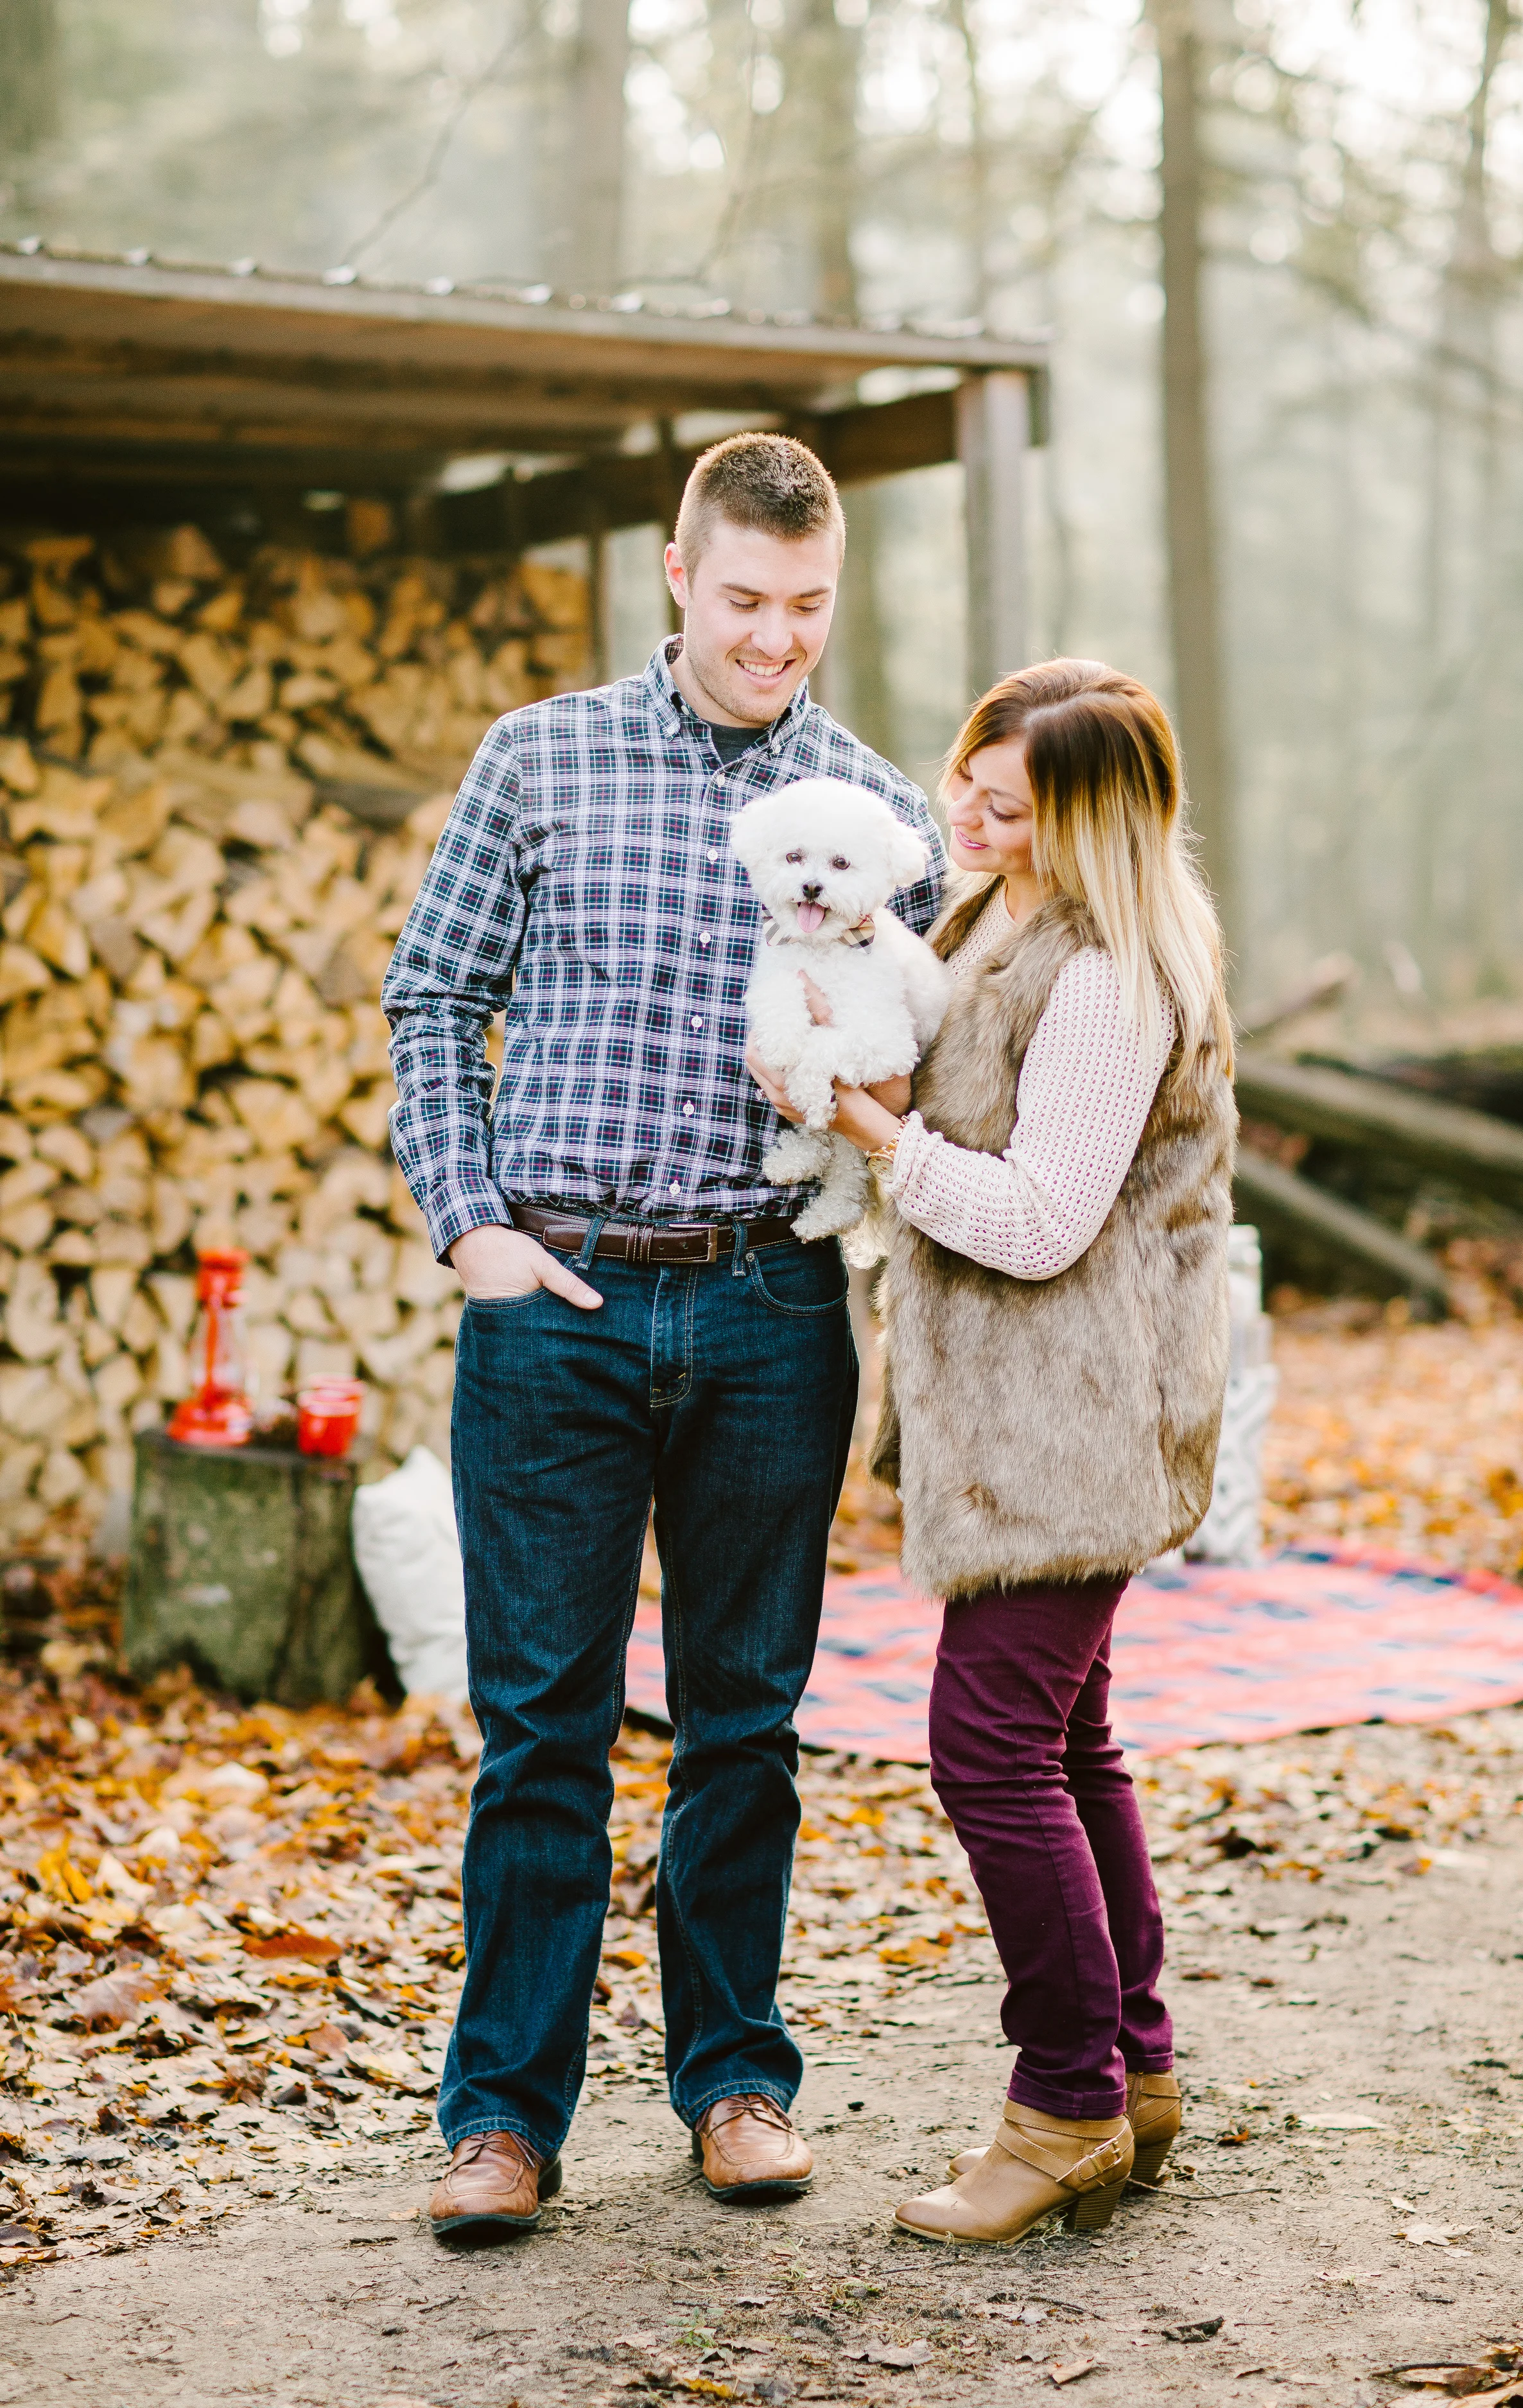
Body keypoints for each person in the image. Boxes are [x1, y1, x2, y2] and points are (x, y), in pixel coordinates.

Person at [382, 433, 946, 2236]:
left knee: (744, 1721)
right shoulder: (538, 754)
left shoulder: (868, 812)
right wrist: (467, 1220)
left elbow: (920, 1051)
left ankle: (736, 2077)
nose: (775, 636)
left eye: (807, 607)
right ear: (678, 579)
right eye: (745, 600)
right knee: (540, 1724)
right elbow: (429, 992)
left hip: (774, 1298)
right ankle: (503, 2116)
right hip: (555, 1295)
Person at [747, 658, 1236, 2246]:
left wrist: (869, 1130)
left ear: (1083, 822)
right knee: (1067, 1747)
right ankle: (1132, 2070)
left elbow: (1034, 1223)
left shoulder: (1103, 973)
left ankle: (1064, 2108)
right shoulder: (983, 920)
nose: (957, 809)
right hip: (1012, 1416)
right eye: (965, 775)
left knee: (985, 1752)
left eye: (1000, 801)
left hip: (1074, 1412)